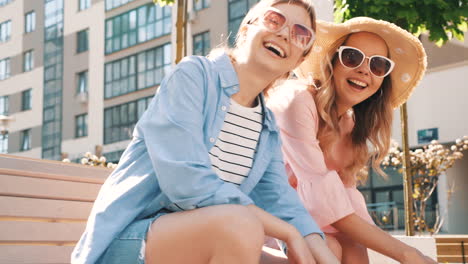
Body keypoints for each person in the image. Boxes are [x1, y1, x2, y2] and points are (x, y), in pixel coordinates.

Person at [71, 1, 340, 263]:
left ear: (298, 61)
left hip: (204, 238)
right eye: (274, 20)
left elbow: (281, 201)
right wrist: (287, 233)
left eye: (300, 34)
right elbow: (186, 179)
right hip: (128, 242)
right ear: (247, 29)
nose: (284, 34)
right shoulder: (194, 76)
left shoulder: (266, 125)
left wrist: (318, 248)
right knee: (240, 224)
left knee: (320, 250)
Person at [268, 17, 437, 263]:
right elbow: (321, 194)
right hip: (265, 219)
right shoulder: (297, 101)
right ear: (332, 62)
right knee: (331, 248)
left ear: (382, 81)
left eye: (378, 65)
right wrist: (408, 254)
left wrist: (406, 254)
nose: (364, 70)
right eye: (352, 57)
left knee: (353, 244)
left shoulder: (350, 125)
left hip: (307, 222)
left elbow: (347, 202)